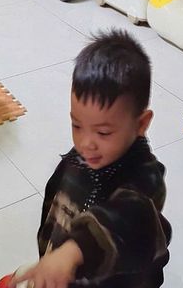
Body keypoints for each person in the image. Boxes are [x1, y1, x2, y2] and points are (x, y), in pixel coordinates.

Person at [10, 30, 171, 288]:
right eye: (77, 125)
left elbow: (131, 222)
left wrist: (73, 251)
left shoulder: (144, 181)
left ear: (141, 124)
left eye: (103, 132)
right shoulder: (79, 160)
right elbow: (55, 210)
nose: (86, 143)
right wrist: (51, 258)